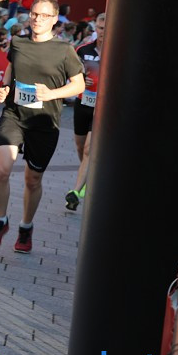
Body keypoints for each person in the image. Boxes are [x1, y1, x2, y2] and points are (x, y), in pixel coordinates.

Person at [0, 0, 86, 253]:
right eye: (34, 14)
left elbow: (79, 85)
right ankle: (0, 221)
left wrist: (50, 94)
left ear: (54, 20)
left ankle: (26, 227)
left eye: (44, 15)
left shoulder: (64, 50)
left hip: (44, 123)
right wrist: (5, 89)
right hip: (14, 115)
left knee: (33, 180)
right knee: (1, 171)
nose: (37, 19)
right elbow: (11, 69)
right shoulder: (18, 42)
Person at [67, 12, 105, 212]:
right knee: (81, 146)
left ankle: (75, 192)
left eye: (106, 29)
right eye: (100, 28)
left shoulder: (117, 52)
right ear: (95, 29)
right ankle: (88, 177)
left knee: (90, 148)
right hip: (83, 104)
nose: (102, 33)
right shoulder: (83, 50)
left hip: (103, 108)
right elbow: (70, 71)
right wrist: (82, 78)